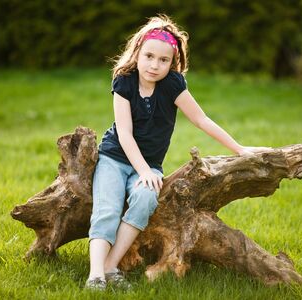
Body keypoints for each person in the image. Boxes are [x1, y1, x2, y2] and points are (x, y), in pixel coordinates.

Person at [85, 14, 271, 291]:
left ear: (173, 62)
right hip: (115, 158)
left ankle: (112, 265)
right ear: (137, 52)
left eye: (164, 60)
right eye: (149, 56)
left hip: (149, 165)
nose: (154, 65)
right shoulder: (124, 82)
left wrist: (239, 149)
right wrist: (143, 170)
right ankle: (95, 275)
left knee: (146, 198)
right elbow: (124, 133)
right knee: (107, 210)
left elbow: (201, 119)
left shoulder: (173, 85)